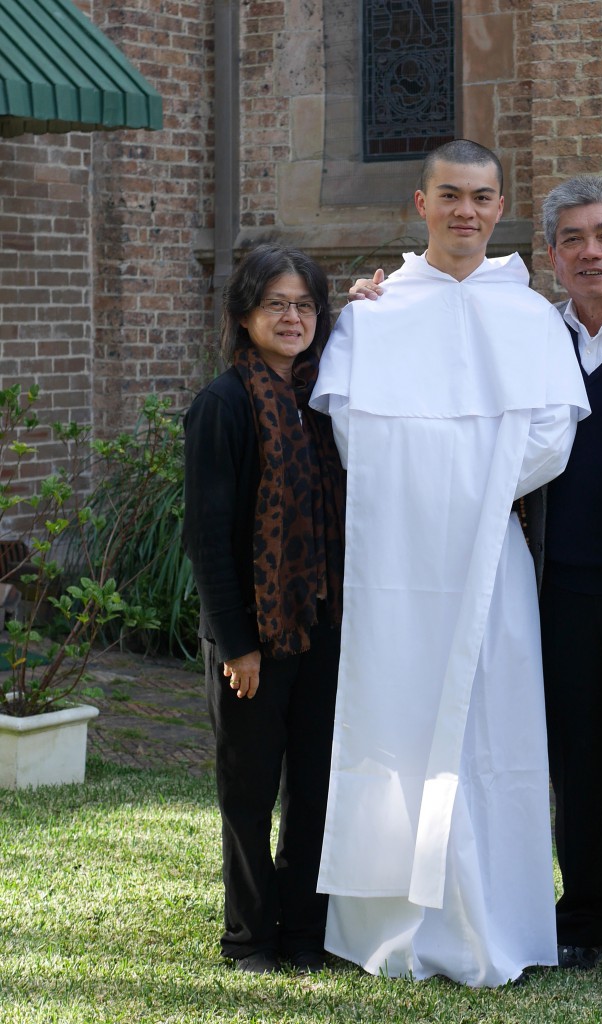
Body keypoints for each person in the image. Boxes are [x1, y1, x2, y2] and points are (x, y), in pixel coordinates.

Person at [349, 174, 602, 998]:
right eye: (571, 239)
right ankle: (581, 919)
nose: (589, 252)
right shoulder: (530, 333)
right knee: (573, 770)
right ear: (549, 256)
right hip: (557, 598)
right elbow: (445, 339)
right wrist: (379, 294)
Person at [309, 139, 590, 987]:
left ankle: (493, 920)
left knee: (493, 732)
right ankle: (393, 919)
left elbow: (551, 437)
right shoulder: (374, 314)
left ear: (499, 207)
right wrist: (445, 486)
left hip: (488, 557)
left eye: (482, 196)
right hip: (396, 559)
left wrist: (470, 492)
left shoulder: (530, 314)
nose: (465, 211)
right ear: (419, 205)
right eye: (450, 195)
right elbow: (357, 431)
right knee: (392, 714)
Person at [182, 243, 346, 975]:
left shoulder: (326, 395)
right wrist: (236, 644)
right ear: (244, 314)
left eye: (305, 304)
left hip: (320, 628)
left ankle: (304, 931)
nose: (291, 317)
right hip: (251, 638)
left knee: (315, 788)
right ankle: (249, 937)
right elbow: (208, 535)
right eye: (275, 304)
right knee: (248, 794)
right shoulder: (223, 404)